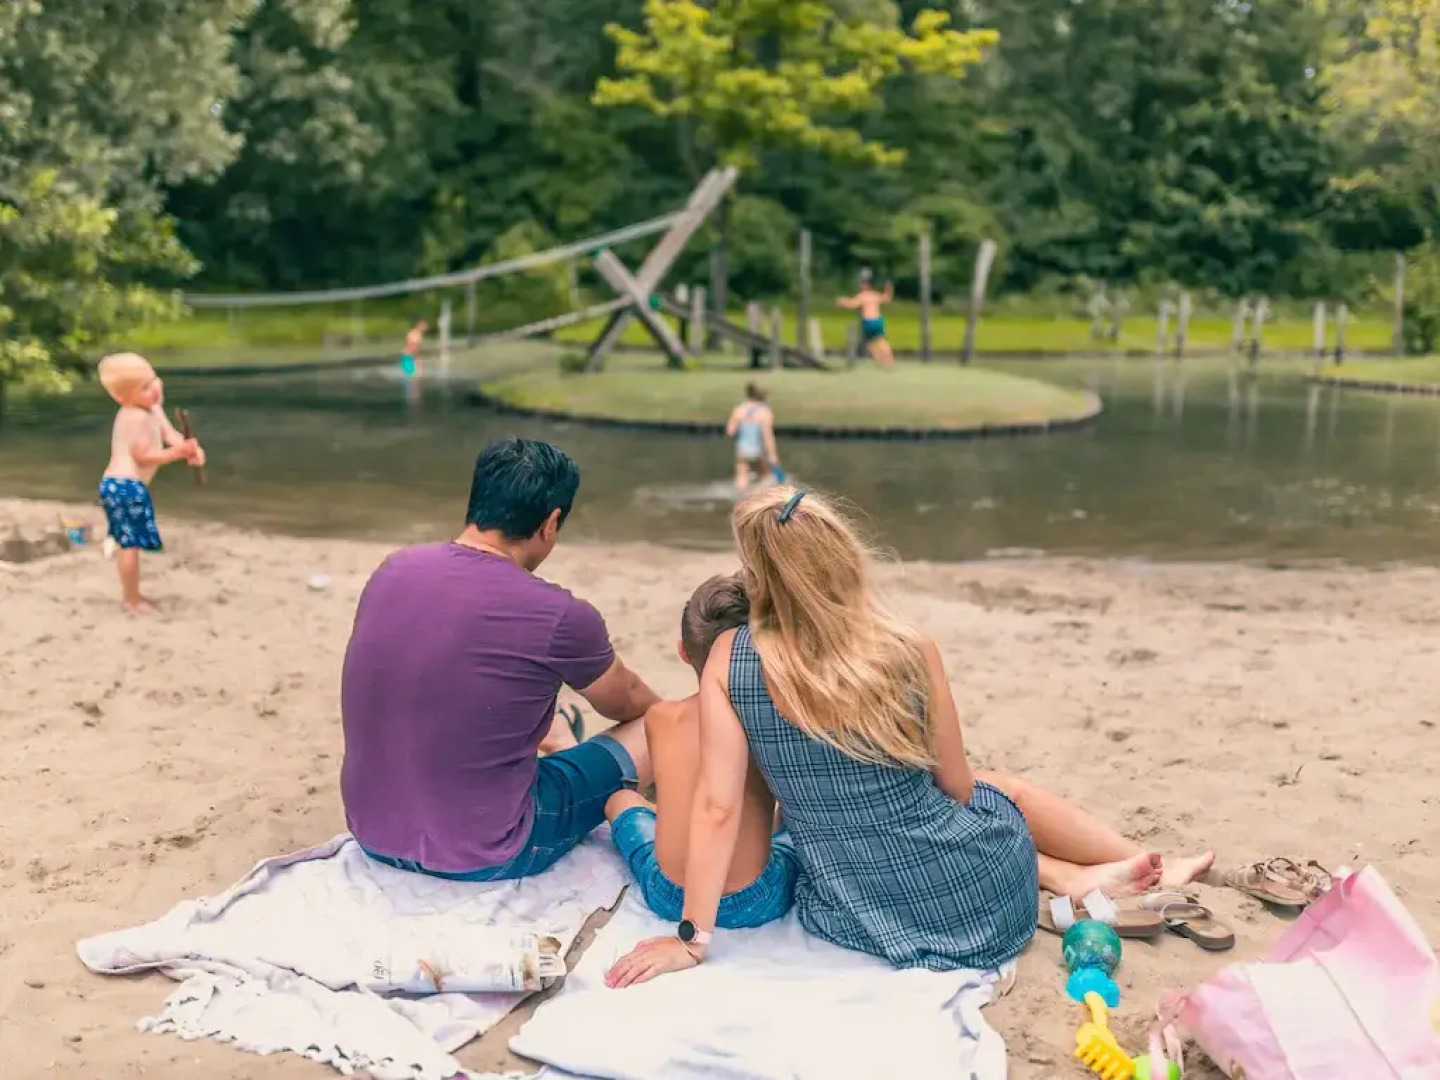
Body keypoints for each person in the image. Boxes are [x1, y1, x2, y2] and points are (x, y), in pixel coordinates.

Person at [606, 486, 1213, 988]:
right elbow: (956, 784)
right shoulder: (909, 646)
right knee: (998, 797)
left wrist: (692, 941)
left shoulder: (732, 657)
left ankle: (1080, 876)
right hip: (995, 903)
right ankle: (1081, 872)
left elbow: (718, 805)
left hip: (859, 915)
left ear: (762, 576)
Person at [340, 438, 661, 881]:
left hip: (373, 835)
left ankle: (560, 742)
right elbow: (631, 705)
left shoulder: (392, 569)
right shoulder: (559, 614)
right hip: (489, 851)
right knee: (666, 723)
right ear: (550, 523)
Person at [606, 574, 800, 929]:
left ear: (683, 651)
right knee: (791, 832)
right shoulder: (768, 718)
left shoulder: (660, 717)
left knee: (619, 800)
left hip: (669, 896)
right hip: (755, 900)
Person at [96, 353, 205, 614]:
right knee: (129, 544)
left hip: (127, 487)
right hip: (123, 486)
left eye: (154, 379)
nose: (155, 388)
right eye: (145, 387)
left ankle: (133, 595)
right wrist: (176, 455)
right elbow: (143, 457)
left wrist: (190, 450)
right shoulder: (135, 416)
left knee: (130, 540)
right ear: (123, 398)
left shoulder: (151, 408)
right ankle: (131, 600)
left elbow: (171, 435)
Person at [725, 383, 780, 493]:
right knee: (765, 477)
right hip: (759, 450)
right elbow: (767, 437)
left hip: (743, 449)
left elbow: (730, 431)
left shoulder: (739, 409)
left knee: (742, 478)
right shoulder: (765, 413)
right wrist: (773, 455)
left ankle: (740, 499)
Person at [837, 269, 895, 369]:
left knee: (868, 344)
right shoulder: (875, 295)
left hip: (868, 322)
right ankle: (889, 361)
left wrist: (843, 302)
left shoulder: (862, 296)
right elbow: (887, 298)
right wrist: (889, 289)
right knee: (881, 341)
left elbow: (852, 304)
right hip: (878, 320)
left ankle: (880, 359)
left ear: (864, 286)